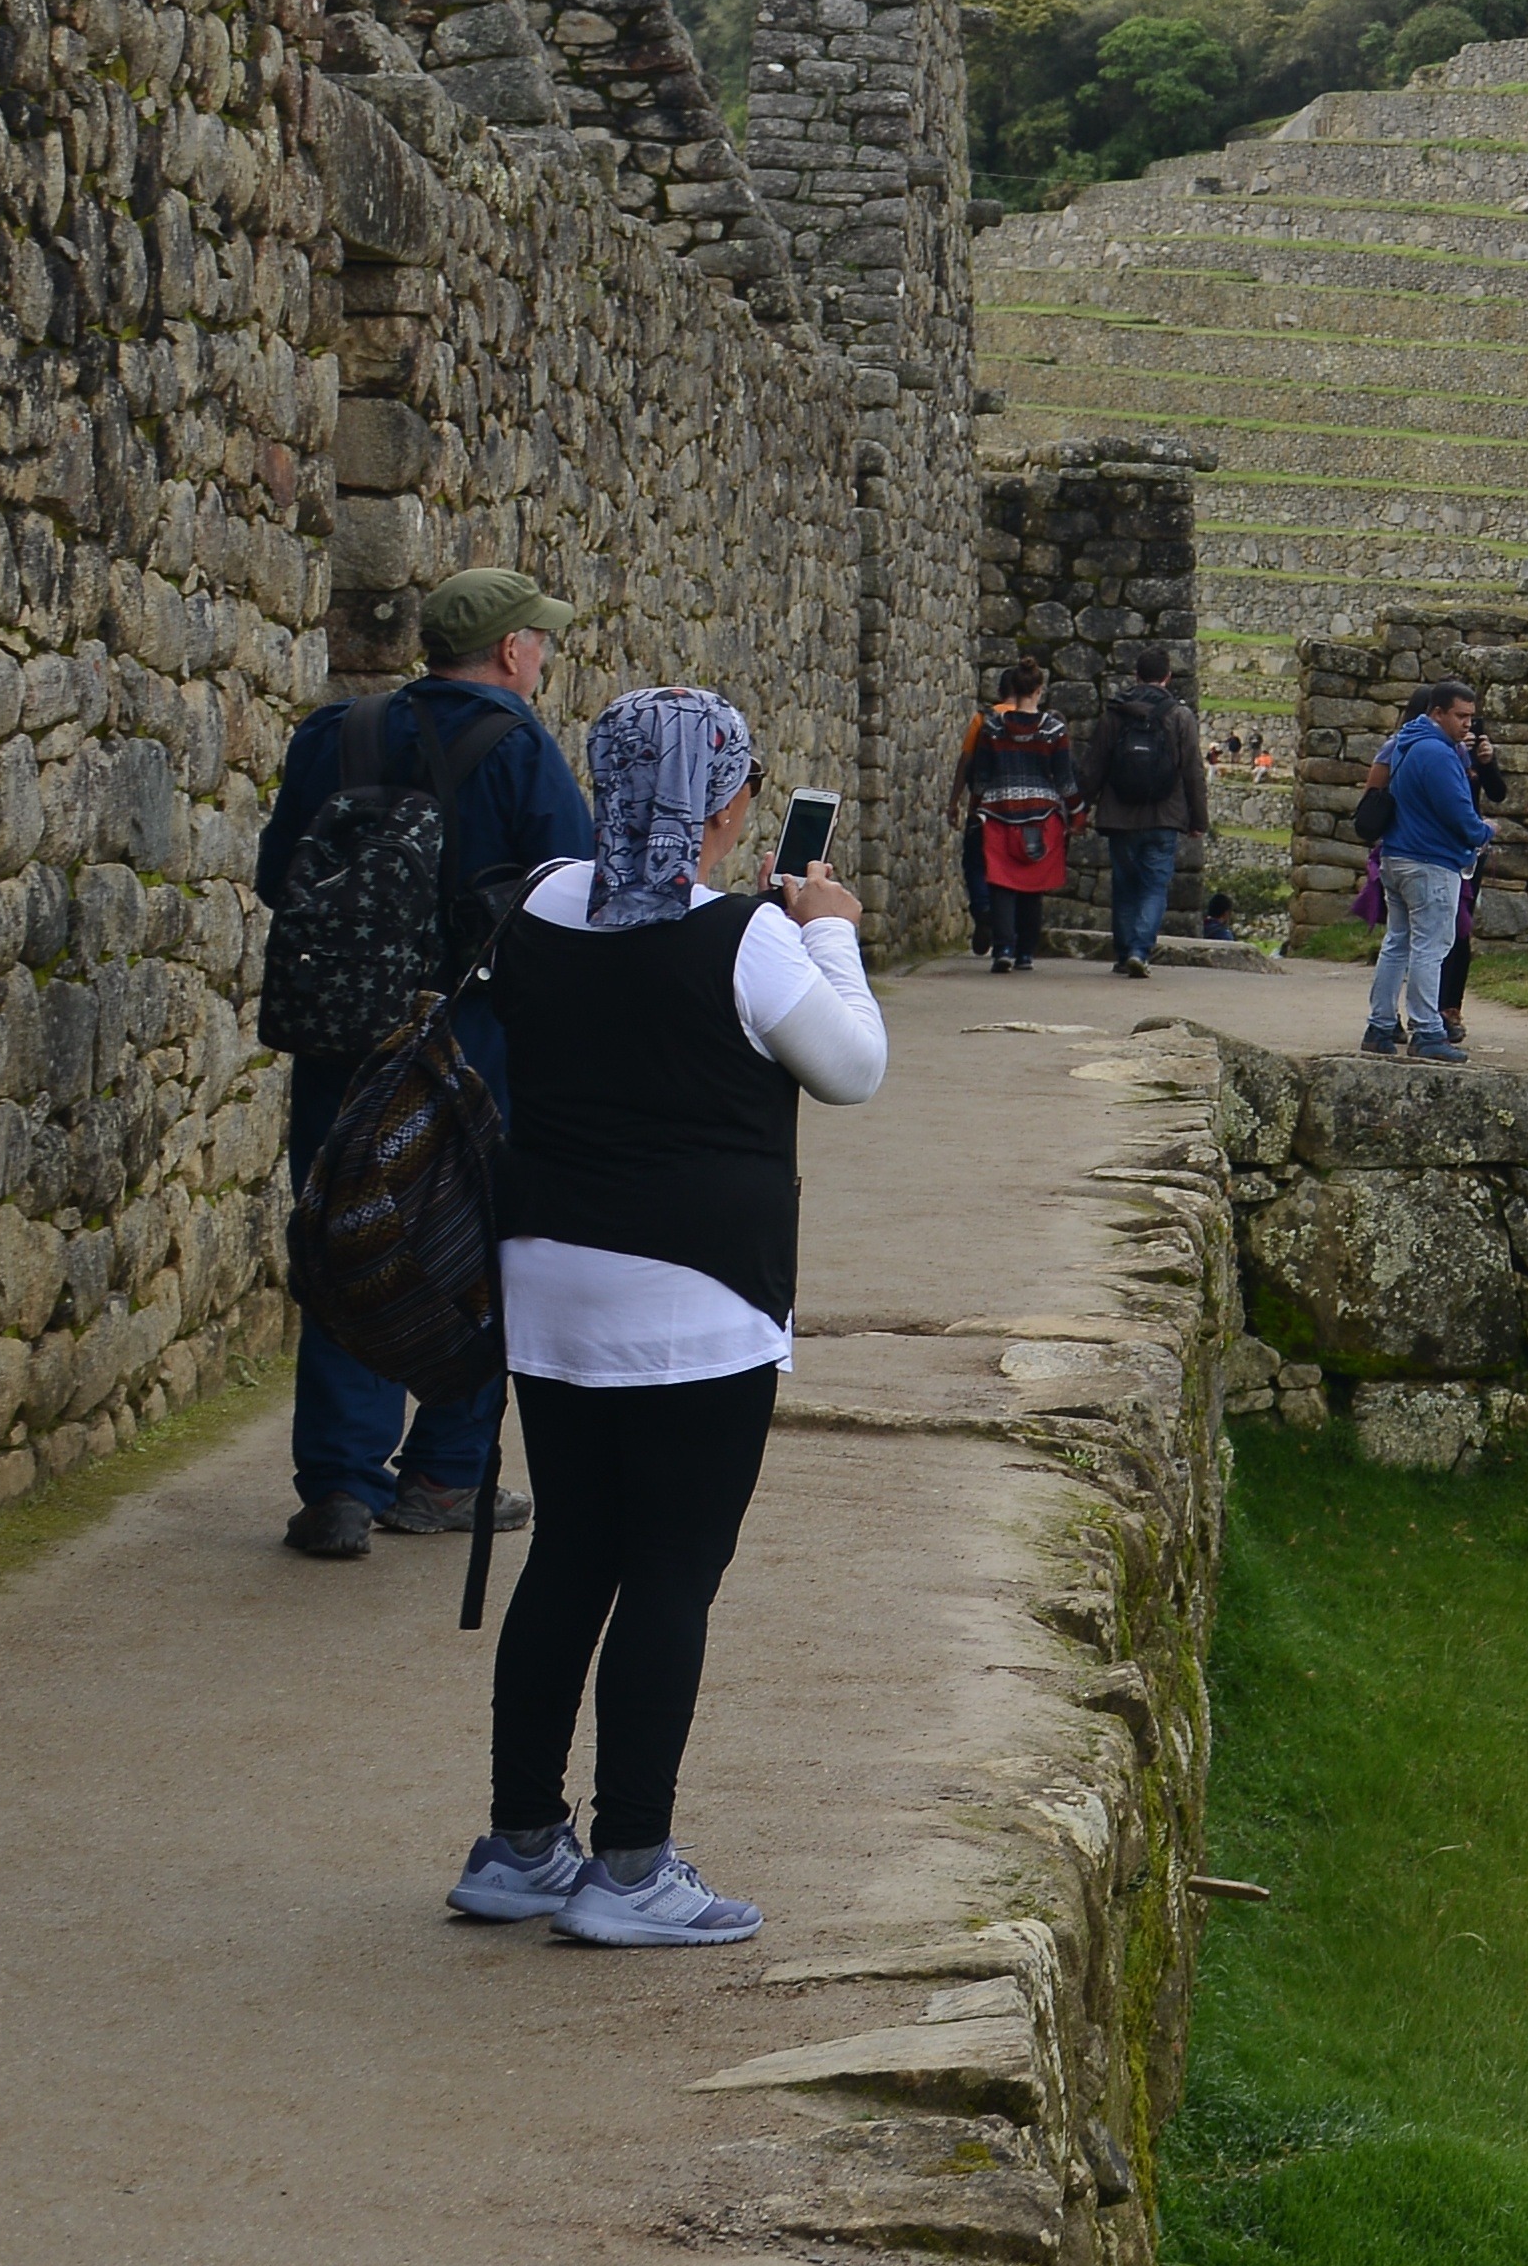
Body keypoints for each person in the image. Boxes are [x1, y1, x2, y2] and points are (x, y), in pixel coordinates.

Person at [445, 686, 886, 1950]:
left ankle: (521, 1842)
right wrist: (833, 932)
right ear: (726, 802)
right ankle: (632, 1863)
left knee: (574, 1552)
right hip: (698, 1300)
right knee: (672, 1575)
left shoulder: (539, 900)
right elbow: (852, 1069)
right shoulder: (743, 937)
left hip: (553, 1287)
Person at [257, 564, 596, 1564]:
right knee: (476, 1257)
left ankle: (337, 1488)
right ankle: (445, 1476)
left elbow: (283, 875)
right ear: (509, 650)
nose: (542, 653)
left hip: (343, 1040)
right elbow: (565, 897)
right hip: (472, 1044)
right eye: (538, 638)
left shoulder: (335, 735)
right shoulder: (522, 749)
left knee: (346, 1238)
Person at [1358, 680, 1489, 1059]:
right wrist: (1483, 832)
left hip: (1397, 855)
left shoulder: (1404, 744)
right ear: (1437, 713)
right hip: (1430, 860)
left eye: (1471, 717)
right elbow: (1458, 811)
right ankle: (1428, 1031)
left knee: (1397, 943)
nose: (1468, 725)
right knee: (1431, 947)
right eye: (1461, 716)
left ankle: (1380, 1025)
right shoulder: (1437, 753)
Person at [1084, 652, 1210, 977]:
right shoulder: (1180, 716)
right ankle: (1141, 949)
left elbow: (1094, 765)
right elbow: (1193, 771)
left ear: (1136, 676)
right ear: (1167, 677)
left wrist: (1080, 807)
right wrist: (1198, 820)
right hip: (1164, 817)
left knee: (1125, 885)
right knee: (1154, 886)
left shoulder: (1115, 714)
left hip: (1119, 815)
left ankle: (1125, 951)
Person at [956, 664, 1076, 970]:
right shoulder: (1053, 730)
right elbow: (1064, 780)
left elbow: (981, 776)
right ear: (1039, 691)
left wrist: (975, 809)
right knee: (1032, 887)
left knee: (1001, 883)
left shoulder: (992, 728)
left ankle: (1004, 948)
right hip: (1041, 816)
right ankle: (1025, 952)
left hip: (998, 814)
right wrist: (1076, 811)